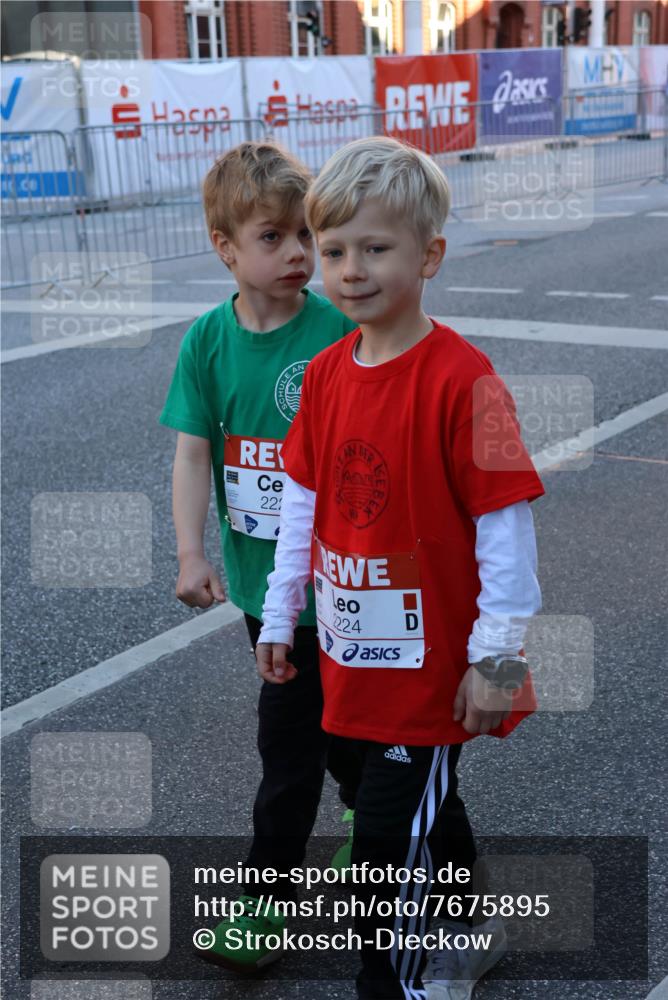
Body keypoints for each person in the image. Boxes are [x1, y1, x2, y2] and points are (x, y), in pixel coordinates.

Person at [257, 136, 545, 1000]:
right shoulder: (324, 375)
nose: (349, 270)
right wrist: (281, 615)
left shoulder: (469, 382)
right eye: (334, 249)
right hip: (349, 660)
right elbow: (300, 503)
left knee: (382, 855)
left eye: (375, 248)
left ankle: (401, 982)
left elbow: (506, 528)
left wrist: (497, 657)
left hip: (427, 678)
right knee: (414, 810)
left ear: (431, 255)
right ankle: (470, 927)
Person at [159, 141, 359, 970]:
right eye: (273, 237)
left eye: (305, 236)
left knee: (301, 746)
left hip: (346, 587)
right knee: (306, 733)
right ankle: (364, 813)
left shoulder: (340, 328)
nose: (300, 255)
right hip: (260, 589)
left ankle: (269, 899)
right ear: (225, 247)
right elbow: (194, 452)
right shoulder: (208, 341)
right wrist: (189, 552)